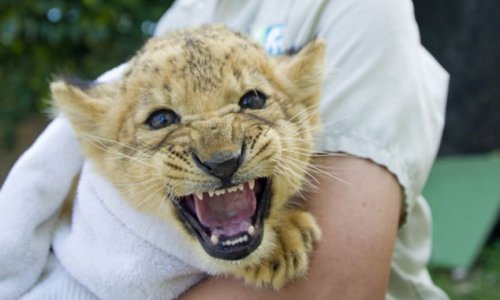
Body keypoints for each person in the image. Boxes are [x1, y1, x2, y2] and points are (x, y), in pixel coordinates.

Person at [0, 0, 449, 299]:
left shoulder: (363, 8)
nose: (220, 152)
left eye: (252, 100)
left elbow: (338, 284)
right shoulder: (186, 10)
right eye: (162, 117)